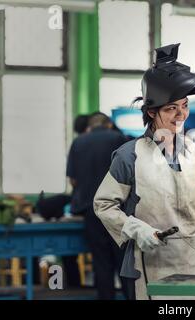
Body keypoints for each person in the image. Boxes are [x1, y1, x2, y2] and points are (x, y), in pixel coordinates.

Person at [93, 43, 195, 300]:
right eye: (171, 109)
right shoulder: (128, 155)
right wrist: (137, 230)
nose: (181, 115)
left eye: (185, 106)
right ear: (151, 111)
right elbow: (104, 205)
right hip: (153, 261)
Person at [67, 112, 128, 299]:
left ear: (89, 126)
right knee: (124, 262)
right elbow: (130, 174)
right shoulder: (119, 139)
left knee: (101, 263)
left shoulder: (78, 143)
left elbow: (73, 180)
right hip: (118, 210)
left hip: (91, 211)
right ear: (108, 124)